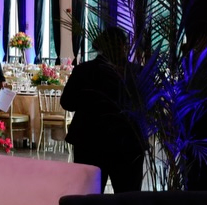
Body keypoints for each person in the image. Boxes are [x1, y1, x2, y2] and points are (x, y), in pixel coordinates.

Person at [60, 27, 146, 192]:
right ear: (124, 46)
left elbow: (67, 103)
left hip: (89, 142)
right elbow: (147, 107)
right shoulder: (137, 72)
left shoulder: (83, 71)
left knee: (89, 198)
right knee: (128, 199)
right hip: (128, 144)